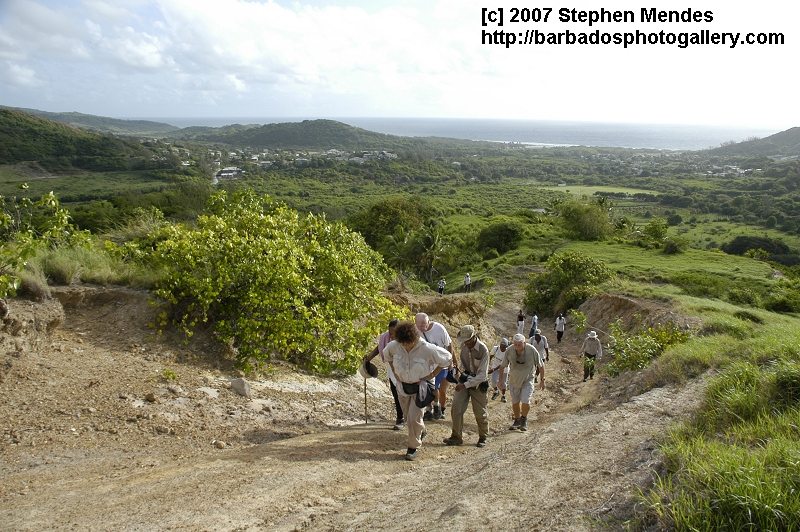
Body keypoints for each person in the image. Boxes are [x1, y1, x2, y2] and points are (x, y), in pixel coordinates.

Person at [385, 321, 452, 461]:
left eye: (408, 343)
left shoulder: (427, 348)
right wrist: (394, 371)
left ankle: (412, 448)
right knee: (407, 415)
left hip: (420, 389)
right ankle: (421, 431)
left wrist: (432, 375)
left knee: (413, 418)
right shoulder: (395, 346)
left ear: (414, 338)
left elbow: (447, 358)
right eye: (403, 343)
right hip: (402, 388)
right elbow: (387, 356)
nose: (405, 346)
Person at [443, 325, 491, 448]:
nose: (467, 343)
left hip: (478, 384)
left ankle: (483, 436)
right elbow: (463, 365)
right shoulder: (464, 348)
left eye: (468, 340)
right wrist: (458, 375)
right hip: (464, 381)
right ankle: (456, 437)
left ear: (474, 337)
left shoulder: (483, 350)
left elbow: (482, 375)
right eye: (465, 341)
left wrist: (465, 385)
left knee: (480, 412)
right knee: (456, 409)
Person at [492, 333, 544, 432]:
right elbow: (502, 366)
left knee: (525, 400)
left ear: (524, 343)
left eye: (519, 344)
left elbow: (541, 366)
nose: (517, 347)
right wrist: (501, 381)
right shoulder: (509, 350)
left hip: (527, 379)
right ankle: (517, 420)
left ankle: (524, 419)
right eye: (515, 344)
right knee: (515, 402)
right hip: (514, 380)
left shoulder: (532, 350)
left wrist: (542, 380)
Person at [363, 319, 404, 430]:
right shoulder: (386, 337)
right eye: (390, 332)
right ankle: (400, 418)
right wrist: (369, 358)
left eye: (393, 333)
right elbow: (379, 348)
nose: (391, 335)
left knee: (405, 393)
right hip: (392, 369)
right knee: (396, 393)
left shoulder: (406, 339)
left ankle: (411, 417)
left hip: (406, 369)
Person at [415, 312, 454, 421]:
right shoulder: (416, 330)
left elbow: (449, 344)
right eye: (419, 326)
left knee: (436, 388)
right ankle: (429, 410)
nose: (422, 328)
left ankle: (438, 407)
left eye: (424, 325)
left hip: (441, 364)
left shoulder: (439, 329)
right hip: (427, 365)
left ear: (428, 322)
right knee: (428, 387)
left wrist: (450, 361)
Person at [489, 337, 510, 402]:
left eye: (504, 347)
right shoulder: (496, 348)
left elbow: (502, 365)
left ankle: (503, 396)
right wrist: (488, 364)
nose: (502, 348)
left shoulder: (507, 352)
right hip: (495, 367)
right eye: (501, 346)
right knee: (493, 381)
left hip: (504, 369)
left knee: (503, 383)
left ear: (506, 346)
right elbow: (491, 356)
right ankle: (496, 391)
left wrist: (493, 370)